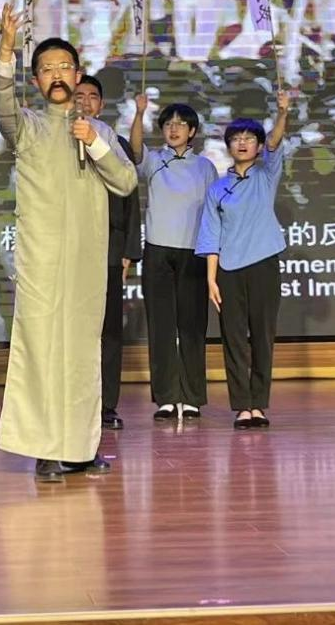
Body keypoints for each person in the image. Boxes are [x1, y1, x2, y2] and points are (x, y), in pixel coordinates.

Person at [0, 4, 138, 482]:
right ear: (36, 80)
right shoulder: (27, 126)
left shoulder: (100, 131)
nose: (57, 76)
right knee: (40, 351)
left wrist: (93, 140)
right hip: (41, 262)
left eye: (64, 67)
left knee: (80, 357)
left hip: (87, 263)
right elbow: (1, 102)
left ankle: (80, 447)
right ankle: (44, 449)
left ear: (77, 75)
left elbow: (126, 182)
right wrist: (6, 51)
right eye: (47, 69)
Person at [195, 99, 291, 430]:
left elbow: (276, 142)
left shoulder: (266, 175)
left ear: (259, 146)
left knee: (262, 336)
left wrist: (282, 112)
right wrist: (211, 279)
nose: (242, 143)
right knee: (233, 338)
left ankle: (259, 404)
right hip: (229, 270)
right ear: (229, 146)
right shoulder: (218, 188)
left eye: (250, 138)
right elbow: (211, 234)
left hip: (264, 264)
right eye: (236, 139)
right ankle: (242, 406)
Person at [129, 95, 219, 420]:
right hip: (157, 251)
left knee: (192, 327)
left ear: (192, 131)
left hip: (194, 252)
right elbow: (135, 150)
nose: (174, 129)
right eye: (168, 124)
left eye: (181, 124)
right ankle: (166, 397)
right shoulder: (154, 161)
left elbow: (215, 212)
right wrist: (139, 113)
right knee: (161, 326)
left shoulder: (205, 167)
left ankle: (192, 396)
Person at [74, 76, 141, 431]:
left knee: (108, 330)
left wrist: (129, 250)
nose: (85, 102)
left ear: (100, 105)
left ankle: (107, 405)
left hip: (110, 249)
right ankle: (74, 405)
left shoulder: (115, 142)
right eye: (79, 96)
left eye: (92, 97)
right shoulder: (55, 138)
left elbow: (131, 199)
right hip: (70, 249)